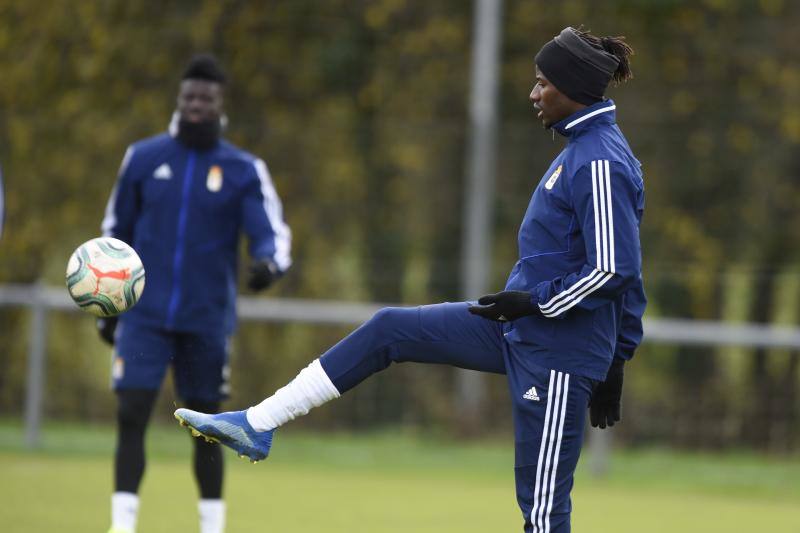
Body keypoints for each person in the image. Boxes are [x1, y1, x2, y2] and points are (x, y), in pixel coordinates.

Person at [176, 27, 645, 532]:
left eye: (541, 83)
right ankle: (258, 423)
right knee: (390, 329)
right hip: (524, 332)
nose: (532, 94)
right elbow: (628, 271)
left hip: (559, 355)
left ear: (571, 86)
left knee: (544, 511)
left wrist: (547, 313)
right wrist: (609, 354)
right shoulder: (580, 151)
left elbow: (615, 270)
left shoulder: (599, 159)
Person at [100, 54, 292, 533]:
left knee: (208, 428)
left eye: (206, 97)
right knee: (131, 412)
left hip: (206, 319)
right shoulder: (143, 159)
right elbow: (113, 233)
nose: (196, 105)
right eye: (189, 96)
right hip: (144, 315)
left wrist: (268, 264)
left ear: (220, 104)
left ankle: (211, 525)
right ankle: (122, 525)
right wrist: (108, 306)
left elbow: (269, 234)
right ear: (179, 100)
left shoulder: (243, 168)